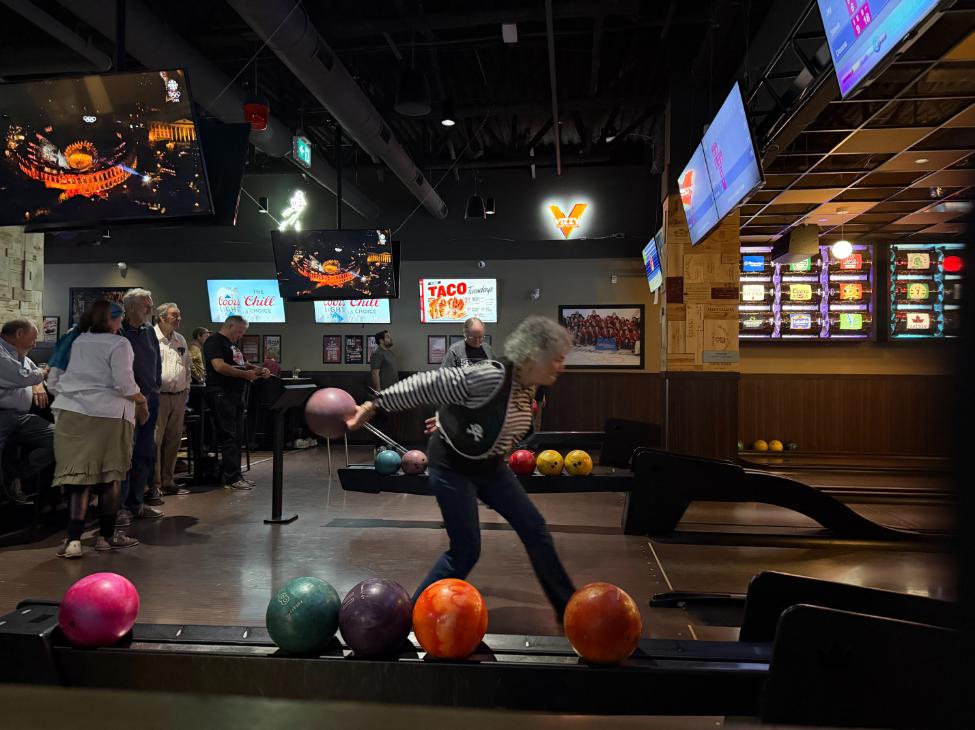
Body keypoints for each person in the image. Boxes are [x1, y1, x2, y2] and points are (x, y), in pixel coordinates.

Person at [347, 316, 577, 621]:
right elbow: (432, 384)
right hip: (452, 466)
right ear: (534, 355)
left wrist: (453, 417)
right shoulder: (492, 375)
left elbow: (492, 421)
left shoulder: (527, 387)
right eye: (557, 359)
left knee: (535, 529)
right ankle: (410, 619)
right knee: (466, 551)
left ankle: (568, 609)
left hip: (490, 467)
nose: (562, 367)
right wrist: (375, 405)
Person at [49, 300, 145, 558]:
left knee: (78, 479)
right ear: (110, 319)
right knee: (110, 477)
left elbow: (53, 380)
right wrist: (141, 400)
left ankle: (73, 541)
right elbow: (124, 384)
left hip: (71, 415)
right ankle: (105, 538)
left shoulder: (73, 339)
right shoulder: (119, 343)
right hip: (109, 416)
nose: (121, 322)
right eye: (119, 317)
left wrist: (74, 396)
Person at [203, 315, 270, 490]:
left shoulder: (233, 345)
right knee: (229, 436)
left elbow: (244, 364)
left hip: (236, 394)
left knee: (238, 436)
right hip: (221, 393)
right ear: (230, 325)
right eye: (239, 331)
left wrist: (259, 370)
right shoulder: (214, 341)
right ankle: (231, 478)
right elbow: (219, 366)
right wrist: (244, 375)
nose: (240, 335)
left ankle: (236, 475)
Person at [117, 288, 164, 527]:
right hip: (128, 401)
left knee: (145, 453)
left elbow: (156, 362)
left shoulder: (148, 330)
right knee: (125, 454)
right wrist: (136, 397)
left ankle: (137, 503)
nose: (150, 309)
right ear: (131, 307)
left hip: (151, 398)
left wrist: (155, 387)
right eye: (147, 305)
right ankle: (120, 507)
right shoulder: (118, 331)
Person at [0, 319, 54, 504]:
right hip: (2, 416)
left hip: (21, 417)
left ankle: (14, 474)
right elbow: (22, 376)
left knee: (62, 440)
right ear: (19, 334)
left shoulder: (20, 355)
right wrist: (44, 373)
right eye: (33, 338)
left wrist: (37, 384)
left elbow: (32, 373)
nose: (35, 343)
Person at [147, 302, 192, 504]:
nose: (179, 319)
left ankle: (168, 480)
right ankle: (155, 483)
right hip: (159, 396)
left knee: (174, 440)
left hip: (178, 396)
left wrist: (186, 387)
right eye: (175, 315)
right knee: (156, 440)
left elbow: (187, 365)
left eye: (179, 315)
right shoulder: (151, 337)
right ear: (162, 317)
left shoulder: (180, 339)